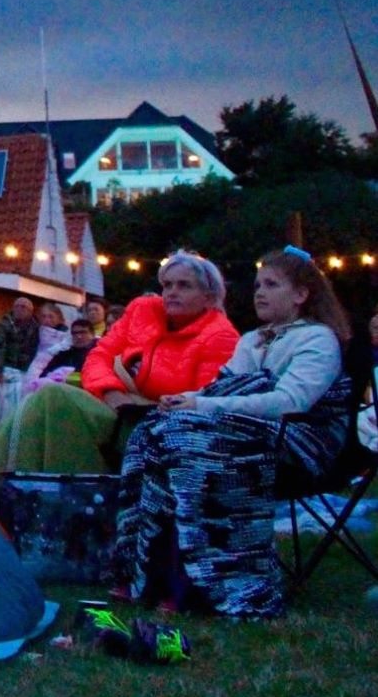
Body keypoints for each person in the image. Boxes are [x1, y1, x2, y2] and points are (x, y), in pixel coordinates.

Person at [113, 247, 353, 618]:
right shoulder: (253, 340)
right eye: (258, 284)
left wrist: (203, 406)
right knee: (152, 433)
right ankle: (147, 572)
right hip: (250, 436)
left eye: (271, 284)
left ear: (302, 294)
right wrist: (183, 399)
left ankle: (203, 583)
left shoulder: (318, 340)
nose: (259, 292)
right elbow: (219, 390)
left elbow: (290, 403)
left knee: (188, 442)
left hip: (303, 443)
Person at [0, 253, 240, 510]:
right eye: (167, 285)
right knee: (48, 403)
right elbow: (98, 356)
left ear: (210, 297)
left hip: (155, 428)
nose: (171, 292)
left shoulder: (220, 337)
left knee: (54, 398)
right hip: (117, 409)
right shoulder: (143, 312)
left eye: (184, 286)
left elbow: (201, 403)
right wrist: (111, 393)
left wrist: (140, 402)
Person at [0, 297, 39, 374]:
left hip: (29, 371)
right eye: (16, 306)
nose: (19, 309)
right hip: (7, 369)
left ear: (30, 311)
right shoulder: (2, 326)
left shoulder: (37, 329)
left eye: (23, 307)